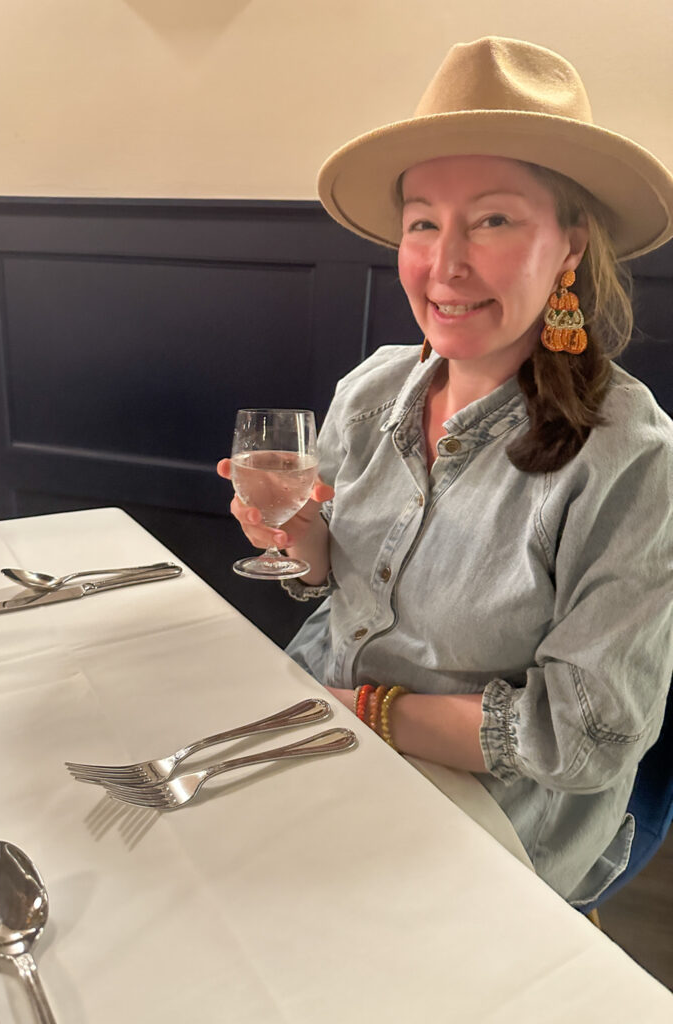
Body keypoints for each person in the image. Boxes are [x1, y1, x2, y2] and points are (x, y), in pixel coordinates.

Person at [217, 36, 673, 906]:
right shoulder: (372, 387)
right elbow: (349, 588)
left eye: (494, 219)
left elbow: (586, 738)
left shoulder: (630, 455)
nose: (444, 264)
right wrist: (303, 537)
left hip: (488, 810)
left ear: (570, 244)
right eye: (423, 221)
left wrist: (362, 714)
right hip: (326, 724)